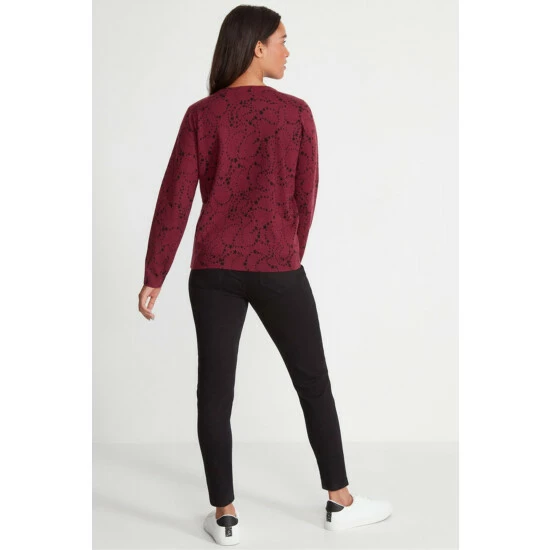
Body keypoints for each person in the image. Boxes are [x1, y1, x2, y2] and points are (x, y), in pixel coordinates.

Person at [138, 5, 392, 545]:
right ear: (257, 47)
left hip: (213, 270)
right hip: (278, 266)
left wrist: (155, 273)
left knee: (214, 392)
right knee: (313, 381)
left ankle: (225, 515)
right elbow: (306, 195)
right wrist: (287, 251)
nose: (287, 51)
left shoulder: (202, 115)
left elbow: (174, 198)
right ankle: (340, 500)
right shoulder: (295, 113)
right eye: (281, 40)